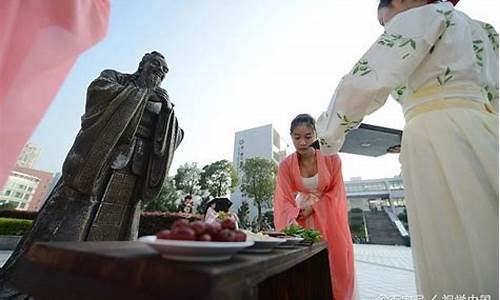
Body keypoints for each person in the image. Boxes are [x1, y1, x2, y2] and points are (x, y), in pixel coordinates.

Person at [315, 0, 498, 297]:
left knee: (451, 243)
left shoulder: (421, 16)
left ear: (399, 2)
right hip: (487, 132)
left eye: (385, 22)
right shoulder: (485, 31)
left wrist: (327, 135)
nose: (387, 29)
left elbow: (366, 82)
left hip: (436, 136)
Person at [0, 51, 184, 298]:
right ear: (142, 64)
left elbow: (176, 134)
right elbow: (97, 95)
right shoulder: (115, 79)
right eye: (156, 65)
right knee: (75, 218)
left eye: (164, 70)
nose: (159, 72)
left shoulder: (162, 99)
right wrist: (140, 94)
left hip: (135, 170)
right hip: (100, 160)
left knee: (121, 226)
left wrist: (168, 113)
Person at [273, 114, 356, 300]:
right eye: (296, 137)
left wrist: (316, 207)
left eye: (308, 137)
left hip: (329, 215)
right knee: (304, 265)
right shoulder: (286, 165)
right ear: (291, 136)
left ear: (316, 135)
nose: (302, 142)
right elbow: (283, 198)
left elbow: (336, 192)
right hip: (300, 215)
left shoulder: (332, 158)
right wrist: (296, 214)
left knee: (337, 260)